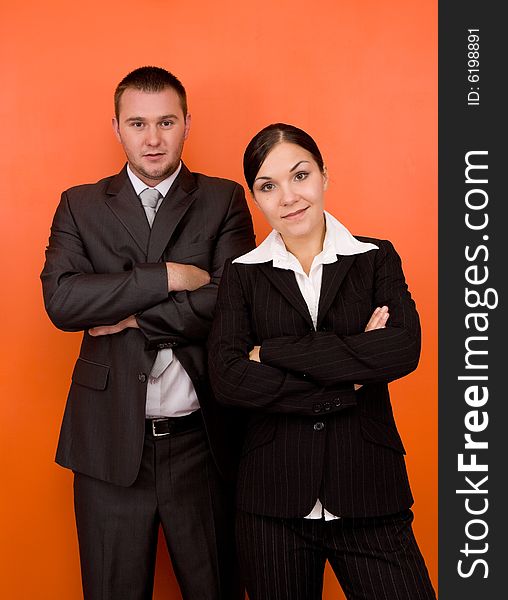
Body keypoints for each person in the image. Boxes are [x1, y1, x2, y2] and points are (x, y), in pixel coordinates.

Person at [41, 66, 255, 600]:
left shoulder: (222, 198)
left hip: (201, 446)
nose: (153, 139)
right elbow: (63, 301)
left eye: (166, 122)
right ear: (116, 127)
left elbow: (232, 302)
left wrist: (132, 314)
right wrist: (166, 278)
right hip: (108, 447)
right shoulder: (79, 203)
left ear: (187, 124)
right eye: (138, 123)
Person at [208, 123, 436, 599]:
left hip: (369, 489)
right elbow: (229, 378)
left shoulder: (375, 258)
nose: (288, 197)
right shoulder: (242, 275)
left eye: (300, 175)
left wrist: (271, 352)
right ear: (255, 197)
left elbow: (402, 348)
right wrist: (349, 375)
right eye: (268, 186)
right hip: (273, 503)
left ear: (324, 175)